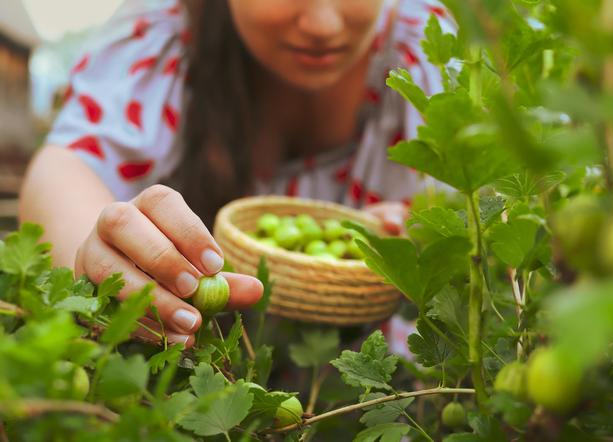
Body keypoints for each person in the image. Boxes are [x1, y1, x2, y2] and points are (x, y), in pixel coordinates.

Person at [18, 0, 456, 349]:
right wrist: (92, 247)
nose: (323, 23)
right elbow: (64, 167)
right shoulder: (162, 36)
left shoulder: (426, 50)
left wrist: (431, 233)